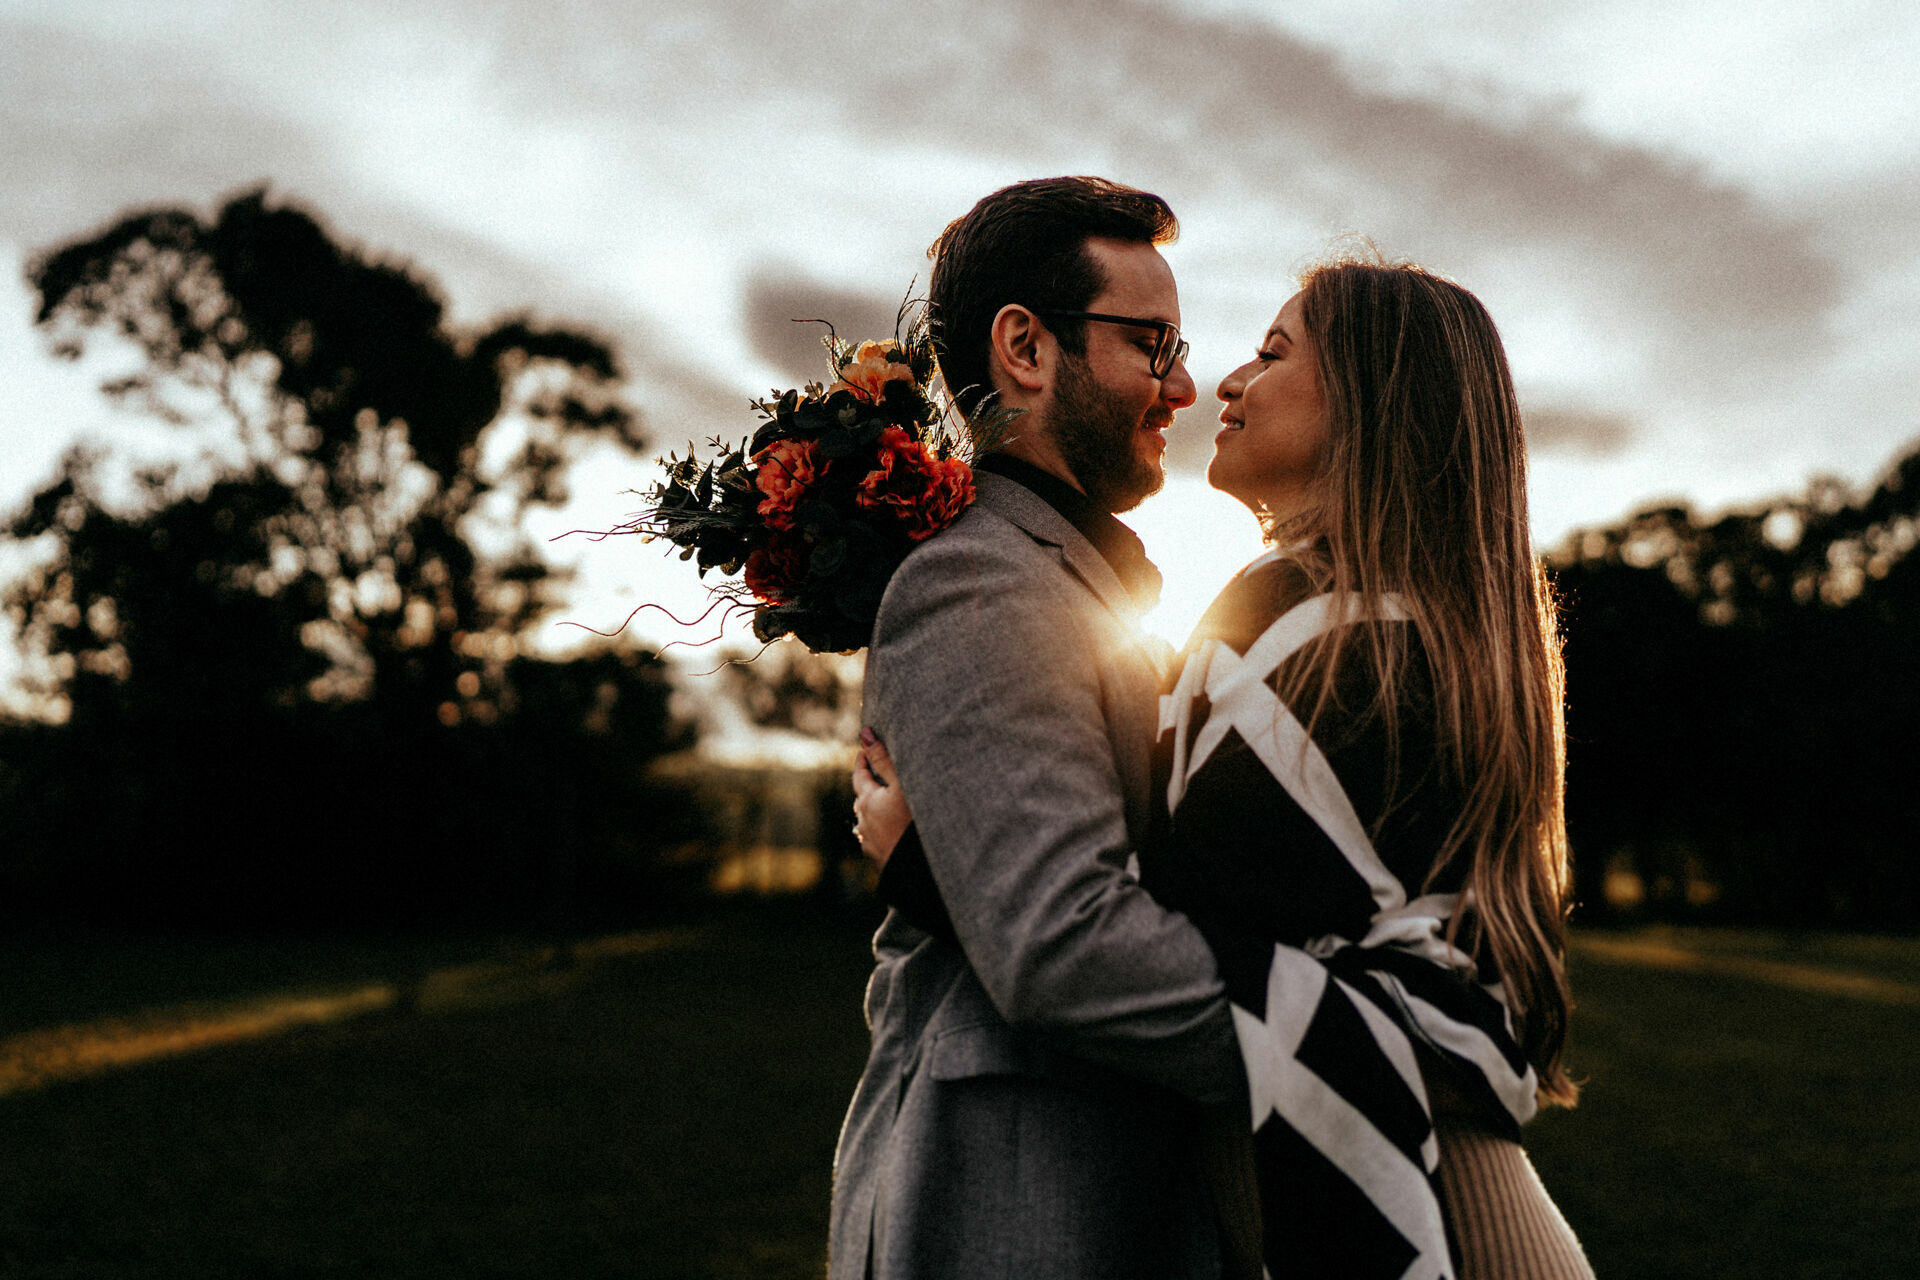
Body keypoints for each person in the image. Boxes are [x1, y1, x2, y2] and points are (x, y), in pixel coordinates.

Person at [855, 256, 1595, 1278]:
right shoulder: (1414, 629)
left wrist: (936, 872)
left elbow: (1155, 921)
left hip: (1440, 1216)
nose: (1226, 383)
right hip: (1446, 1191)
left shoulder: (1312, 634)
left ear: (1370, 400)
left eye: (1272, 353)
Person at [827, 176, 1251, 1280]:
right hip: (1015, 1210)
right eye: (1152, 344)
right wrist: (1346, 1046)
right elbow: (1063, 945)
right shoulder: (978, 580)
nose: (1184, 384)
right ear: (1026, 346)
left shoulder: (1064, 576)